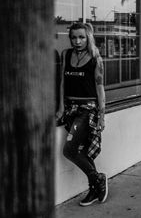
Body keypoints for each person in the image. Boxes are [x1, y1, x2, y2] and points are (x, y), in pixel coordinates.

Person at [56, 22, 107, 206]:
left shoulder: (95, 58)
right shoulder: (66, 54)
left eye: (81, 37)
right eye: (73, 37)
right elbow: (62, 82)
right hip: (71, 109)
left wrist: (101, 115)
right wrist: (61, 109)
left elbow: (100, 89)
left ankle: (98, 178)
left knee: (69, 150)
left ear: (88, 37)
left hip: (87, 110)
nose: (77, 41)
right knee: (82, 150)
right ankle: (95, 189)